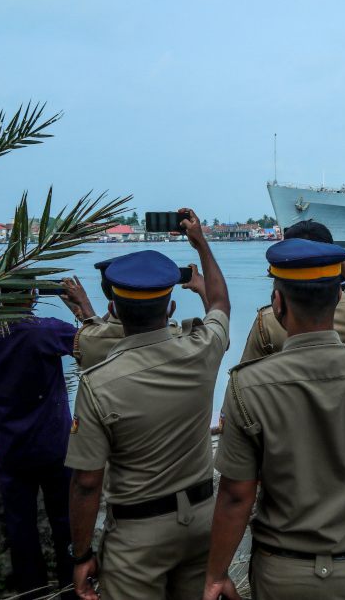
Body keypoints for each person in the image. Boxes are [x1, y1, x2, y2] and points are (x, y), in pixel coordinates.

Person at [203, 238, 345, 600]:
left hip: (282, 572)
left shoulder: (248, 384)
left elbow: (235, 495)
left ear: (278, 303)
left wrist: (216, 574)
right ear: (337, 298)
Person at [65, 208, 231, 600]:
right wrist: (201, 244)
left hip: (137, 536)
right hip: (204, 520)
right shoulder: (202, 350)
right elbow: (220, 303)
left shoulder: (98, 382)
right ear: (169, 305)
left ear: (117, 310)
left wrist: (83, 553)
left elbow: (87, 482)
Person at [0, 284, 77, 599]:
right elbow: (96, 343)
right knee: (66, 524)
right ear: (32, 295)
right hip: (56, 449)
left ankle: (33, 592)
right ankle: (72, 588)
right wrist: (79, 307)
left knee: (21, 529)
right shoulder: (47, 330)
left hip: (10, 452)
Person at [239, 220, 345, 360]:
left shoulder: (266, 321)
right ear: (338, 296)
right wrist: (334, 257)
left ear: (278, 298)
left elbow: (248, 368)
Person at [63, 260, 205, 369]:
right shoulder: (183, 340)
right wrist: (204, 289)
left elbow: (97, 330)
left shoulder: (89, 340)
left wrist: (82, 305)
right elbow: (218, 329)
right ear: (171, 309)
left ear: (112, 309)